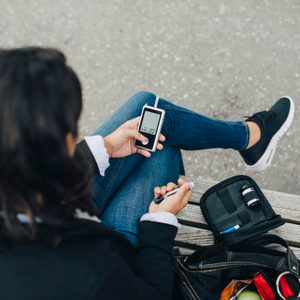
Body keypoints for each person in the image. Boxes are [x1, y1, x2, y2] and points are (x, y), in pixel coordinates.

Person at [0, 47, 294, 300]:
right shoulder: (90, 269)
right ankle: (251, 138)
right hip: (114, 261)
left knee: (149, 116)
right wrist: (159, 222)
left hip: (53, 212)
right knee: (160, 145)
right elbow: (153, 293)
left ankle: (250, 139)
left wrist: (99, 149)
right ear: (62, 142)